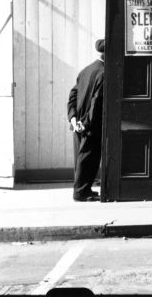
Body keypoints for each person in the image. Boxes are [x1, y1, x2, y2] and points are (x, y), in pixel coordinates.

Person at [67, 38, 105, 201]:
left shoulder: (85, 71)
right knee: (89, 159)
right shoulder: (104, 73)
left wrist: (73, 119)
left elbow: (73, 95)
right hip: (90, 125)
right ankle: (81, 193)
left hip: (78, 125)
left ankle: (84, 189)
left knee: (80, 159)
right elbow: (96, 102)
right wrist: (86, 123)